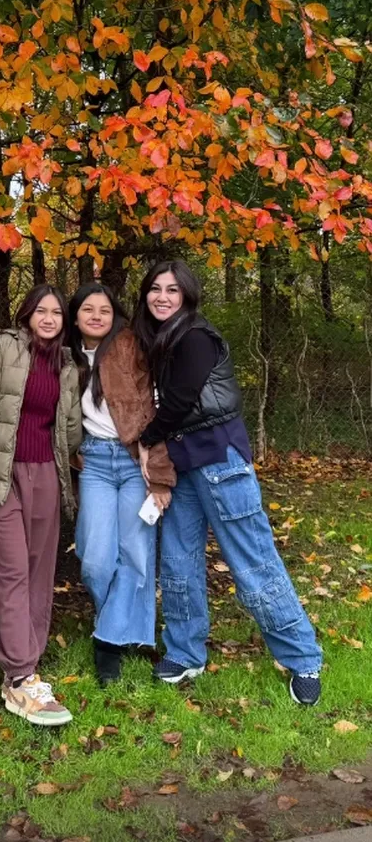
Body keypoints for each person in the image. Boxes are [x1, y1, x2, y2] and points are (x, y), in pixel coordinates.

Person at [133, 260, 323, 705]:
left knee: (252, 561)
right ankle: (185, 651)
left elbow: (180, 401)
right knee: (178, 563)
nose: (162, 297)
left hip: (220, 460)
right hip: (182, 466)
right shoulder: (161, 340)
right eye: (155, 289)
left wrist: (146, 438)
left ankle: (302, 658)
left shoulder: (195, 335)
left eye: (172, 290)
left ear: (188, 296)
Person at [0, 284, 82, 727]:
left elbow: (69, 428)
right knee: (12, 567)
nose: (49, 318)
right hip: (2, 474)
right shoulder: (3, 348)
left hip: (47, 475)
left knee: (39, 568)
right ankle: (19, 677)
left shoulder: (68, 365)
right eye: (41, 311)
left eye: (56, 313)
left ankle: (28, 659)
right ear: (27, 314)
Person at [69, 283, 176, 686]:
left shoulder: (132, 348)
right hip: (94, 462)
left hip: (135, 459)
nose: (97, 316)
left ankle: (109, 643)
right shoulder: (68, 358)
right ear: (75, 316)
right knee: (95, 557)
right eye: (88, 310)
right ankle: (115, 621)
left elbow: (156, 409)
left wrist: (160, 475)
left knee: (135, 552)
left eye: (105, 309)